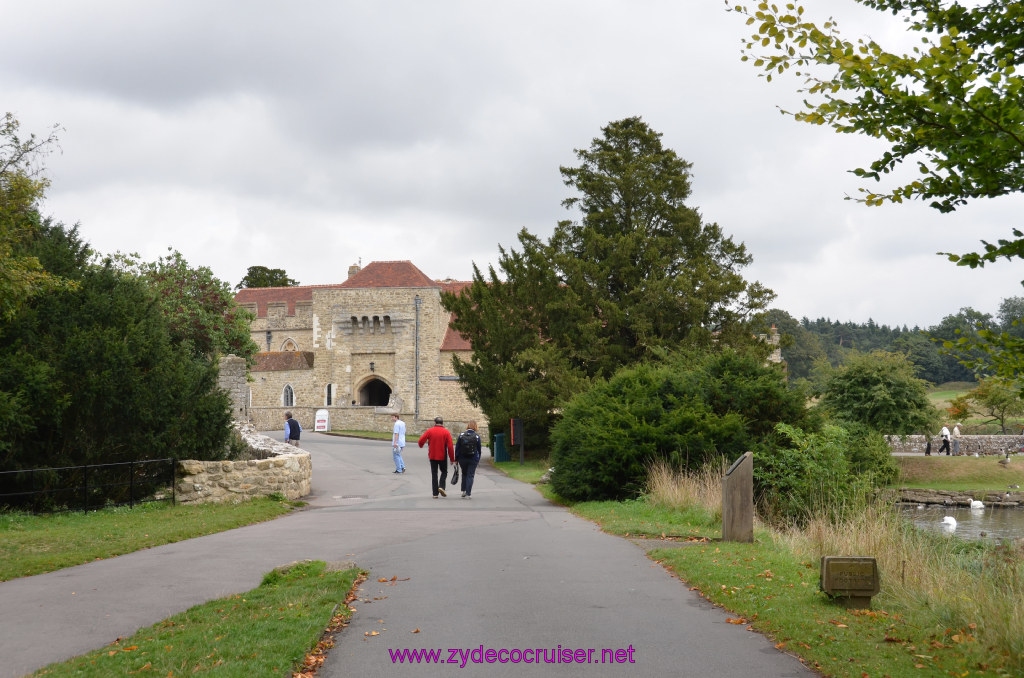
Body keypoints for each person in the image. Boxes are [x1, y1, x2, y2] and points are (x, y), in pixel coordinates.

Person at [418, 416, 454, 497]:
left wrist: (421, 445)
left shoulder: (430, 431)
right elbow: (450, 446)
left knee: (434, 474)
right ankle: (441, 486)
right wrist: (452, 458)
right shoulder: (446, 432)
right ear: (442, 423)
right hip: (442, 456)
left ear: (435, 423)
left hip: (432, 455)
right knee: (444, 472)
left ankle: (435, 494)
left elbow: (421, 440)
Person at [455, 420, 483, 499]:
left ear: (468, 426)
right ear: (475, 426)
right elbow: (479, 449)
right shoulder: (477, 437)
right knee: (470, 475)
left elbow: (457, 448)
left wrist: (456, 458)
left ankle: (463, 490)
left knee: (464, 474)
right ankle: (468, 493)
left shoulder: (461, 435)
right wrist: (478, 458)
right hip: (473, 458)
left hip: (462, 458)